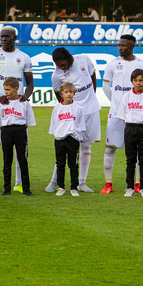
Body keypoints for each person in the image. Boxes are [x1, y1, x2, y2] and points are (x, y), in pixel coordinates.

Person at [0, 26, 34, 194]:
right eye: (2, 37)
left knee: (20, 147)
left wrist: (25, 97)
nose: (4, 39)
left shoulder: (23, 57)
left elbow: (30, 83)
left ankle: (19, 183)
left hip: (18, 106)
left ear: (15, 37)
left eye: (7, 37)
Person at [45, 48, 100, 194]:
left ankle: (82, 183)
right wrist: (67, 108)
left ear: (69, 58)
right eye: (58, 65)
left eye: (63, 64)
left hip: (90, 110)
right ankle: (54, 181)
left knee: (86, 146)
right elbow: (58, 94)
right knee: (66, 147)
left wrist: (92, 96)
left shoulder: (84, 59)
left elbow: (93, 75)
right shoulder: (56, 75)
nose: (61, 68)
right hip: (72, 114)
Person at [101, 34, 143, 194]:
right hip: (116, 114)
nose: (120, 48)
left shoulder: (142, 65)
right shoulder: (113, 64)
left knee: (139, 151)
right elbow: (106, 86)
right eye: (119, 45)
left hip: (137, 116)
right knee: (110, 148)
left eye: (124, 45)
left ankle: (137, 183)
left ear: (132, 46)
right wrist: (117, 103)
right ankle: (108, 184)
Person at [0, 77, 36, 196]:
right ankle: (6, 189)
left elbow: (28, 121)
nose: (6, 92)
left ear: (16, 89)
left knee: (22, 160)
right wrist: (7, 130)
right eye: (5, 89)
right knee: (7, 160)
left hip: (20, 131)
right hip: (6, 131)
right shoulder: (2, 103)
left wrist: (20, 130)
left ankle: (26, 189)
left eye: (8, 89)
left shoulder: (24, 102)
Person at [49, 82, 86, 197]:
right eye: (66, 92)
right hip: (60, 139)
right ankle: (61, 187)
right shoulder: (57, 108)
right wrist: (57, 134)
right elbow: (54, 124)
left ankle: (74, 187)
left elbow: (81, 124)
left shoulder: (78, 108)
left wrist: (78, 136)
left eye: (71, 92)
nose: (68, 94)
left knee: (73, 164)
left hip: (73, 139)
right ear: (61, 94)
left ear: (74, 93)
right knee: (60, 164)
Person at [117, 69, 143, 198]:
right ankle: (129, 187)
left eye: (141, 80)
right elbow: (123, 115)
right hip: (130, 128)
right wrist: (129, 128)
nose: (138, 83)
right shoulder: (127, 96)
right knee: (130, 160)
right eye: (136, 80)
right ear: (132, 81)